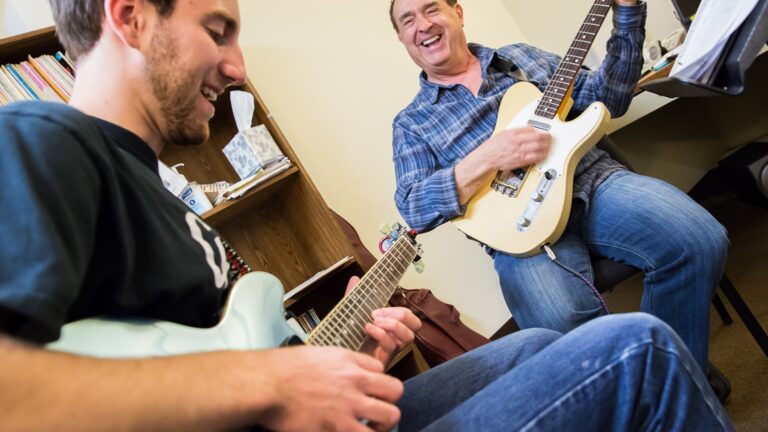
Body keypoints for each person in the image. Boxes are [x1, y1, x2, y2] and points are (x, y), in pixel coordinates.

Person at [0, 0, 732, 430]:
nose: (236, 66)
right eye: (218, 29)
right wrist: (278, 384)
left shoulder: (155, 191)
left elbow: (216, 353)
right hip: (515, 232)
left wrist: (335, 356)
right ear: (129, 17)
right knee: (636, 346)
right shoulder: (42, 140)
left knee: (539, 349)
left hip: (589, 181)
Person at [389, 0, 729, 377]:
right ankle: (653, 389)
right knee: (560, 324)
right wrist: (485, 158)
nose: (422, 24)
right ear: (402, 38)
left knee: (698, 239)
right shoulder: (412, 123)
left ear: (458, 12)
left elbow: (609, 98)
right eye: (408, 20)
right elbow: (412, 205)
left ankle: (673, 378)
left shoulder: (522, 58)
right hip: (519, 235)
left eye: (432, 9)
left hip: (594, 184)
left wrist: (628, 16)